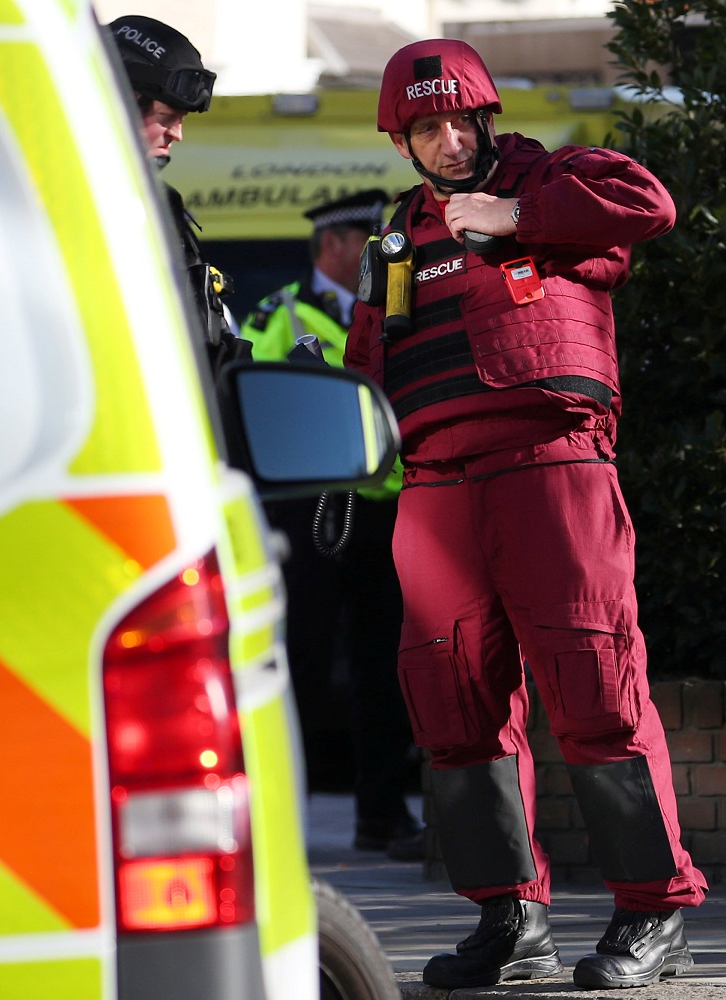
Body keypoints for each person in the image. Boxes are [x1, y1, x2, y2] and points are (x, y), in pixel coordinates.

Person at [343, 38, 707, 990]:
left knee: (595, 684)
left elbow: (650, 205)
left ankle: (654, 912)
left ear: (488, 119)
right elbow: (372, 354)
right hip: (433, 486)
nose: (452, 139)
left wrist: (516, 214)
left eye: (463, 120)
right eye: (429, 127)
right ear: (404, 139)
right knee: (452, 706)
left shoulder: (549, 178)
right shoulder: (396, 236)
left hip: (550, 463)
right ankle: (510, 920)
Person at [240, 191, 422, 860]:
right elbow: (250, 396)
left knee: (384, 664)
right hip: (310, 506)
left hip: (382, 508)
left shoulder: (389, 309)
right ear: (334, 245)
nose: (379, 249)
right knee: (300, 663)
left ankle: (382, 814)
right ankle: (279, 817)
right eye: (367, 239)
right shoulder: (279, 311)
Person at [107, 14, 248, 370]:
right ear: (121, 102)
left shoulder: (162, 206)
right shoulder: (59, 196)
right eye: (168, 117)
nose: (177, 134)